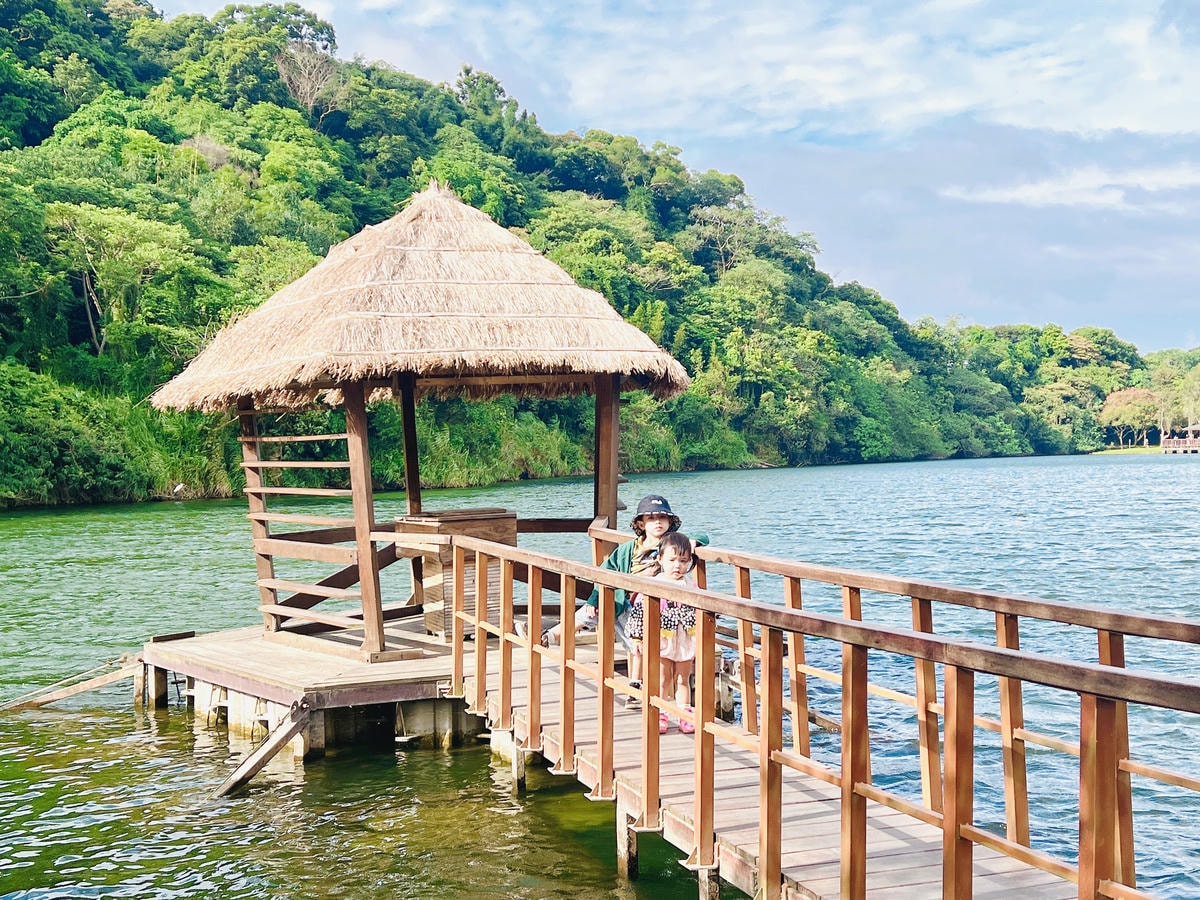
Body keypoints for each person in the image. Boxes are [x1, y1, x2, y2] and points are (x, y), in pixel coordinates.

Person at [540, 495, 705, 711]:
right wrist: (593, 598)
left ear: (670, 522)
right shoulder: (629, 549)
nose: (658, 522)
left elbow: (703, 536)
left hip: (651, 607)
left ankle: (637, 689)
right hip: (624, 599)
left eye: (663, 518)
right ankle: (550, 635)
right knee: (591, 611)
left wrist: (694, 540)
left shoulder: (673, 545)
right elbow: (606, 571)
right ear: (640, 524)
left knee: (638, 644)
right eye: (651, 518)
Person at [625, 530, 698, 734]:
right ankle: (660, 712)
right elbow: (639, 611)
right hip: (661, 637)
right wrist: (638, 637)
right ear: (660, 559)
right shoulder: (654, 584)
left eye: (683, 561)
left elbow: (700, 610)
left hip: (684, 637)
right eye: (672, 559)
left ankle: (684, 714)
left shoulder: (690, 585)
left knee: (684, 678)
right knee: (662, 678)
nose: (678, 565)